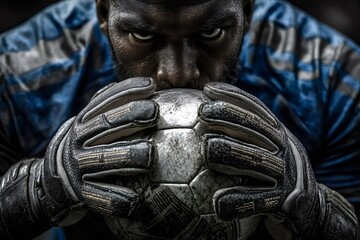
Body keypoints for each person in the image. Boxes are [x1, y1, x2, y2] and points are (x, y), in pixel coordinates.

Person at [0, 0, 359, 239]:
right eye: (142, 35)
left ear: (247, 9)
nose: (179, 74)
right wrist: (36, 191)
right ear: (103, 11)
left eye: (210, 33)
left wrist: (317, 210)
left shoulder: (331, 78)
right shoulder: (20, 74)